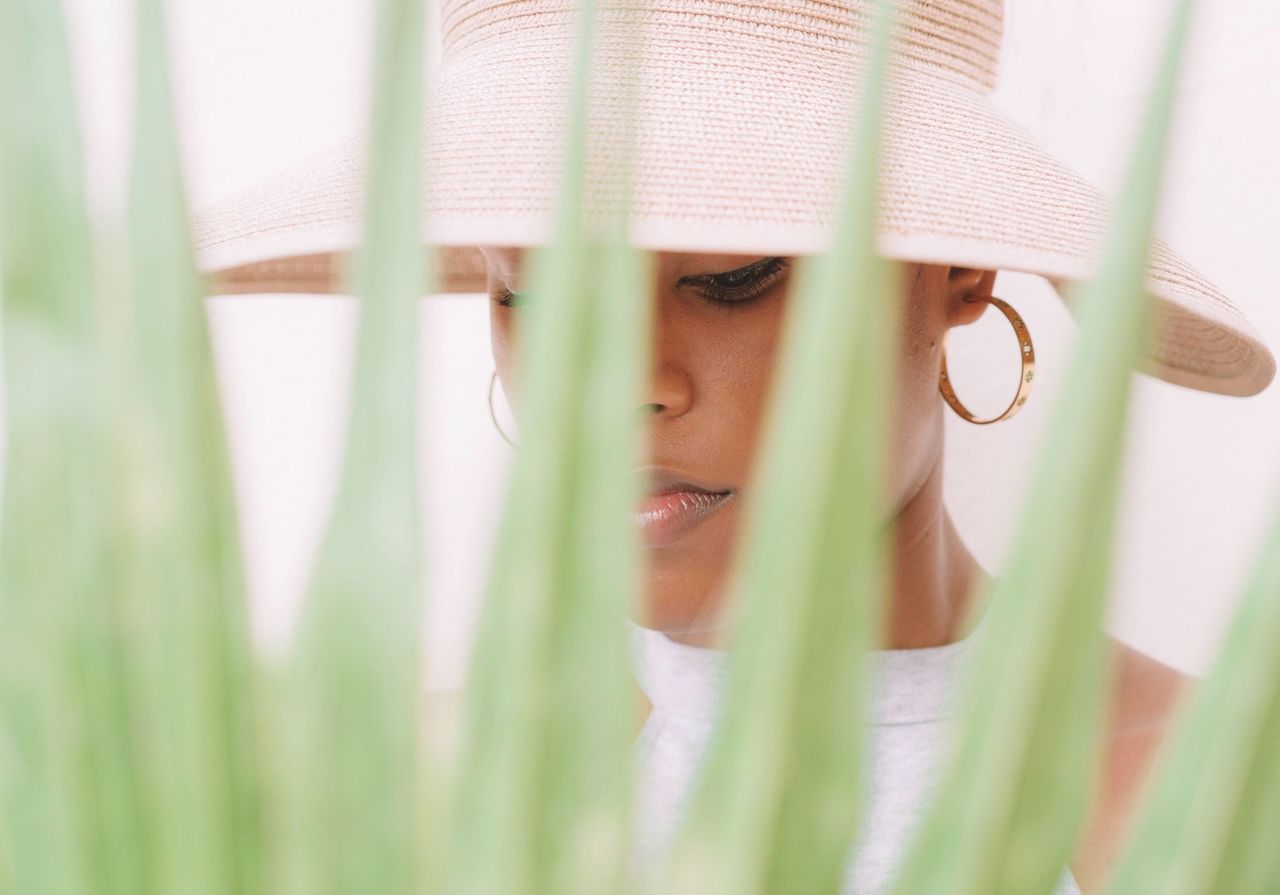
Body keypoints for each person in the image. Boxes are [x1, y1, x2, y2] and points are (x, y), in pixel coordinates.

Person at [194, 1, 1276, 892]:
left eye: (728, 280)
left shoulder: (1197, 799)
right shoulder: (420, 788)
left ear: (958, 271)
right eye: (535, 290)